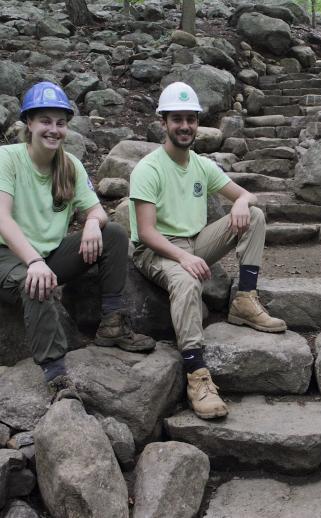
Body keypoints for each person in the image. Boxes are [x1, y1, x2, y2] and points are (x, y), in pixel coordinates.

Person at [129, 82, 286, 420]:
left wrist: (242, 201)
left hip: (195, 242)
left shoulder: (201, 165)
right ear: (164, 122)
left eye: (191, 119)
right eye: (177, 119)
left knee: (255, 215)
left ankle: (244, 299)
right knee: (186, 281)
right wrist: (184, 257)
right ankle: (196, 375)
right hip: (155, 249)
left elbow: (248, 195)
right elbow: (145, 231)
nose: (185, 126)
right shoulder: (148, 168)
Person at [0, 82, 155, 404]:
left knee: (112, 232)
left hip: (49, 254)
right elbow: (2, 218)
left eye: (60, 122)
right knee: (36, 284)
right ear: (28, 123)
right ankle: (55, 373)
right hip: (9, 255)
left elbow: (96, 209)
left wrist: (91, 226)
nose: (53, 130)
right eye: (45, 121)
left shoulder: (70, 165)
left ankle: (112, 323)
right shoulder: (7, 159)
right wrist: (34, 262)